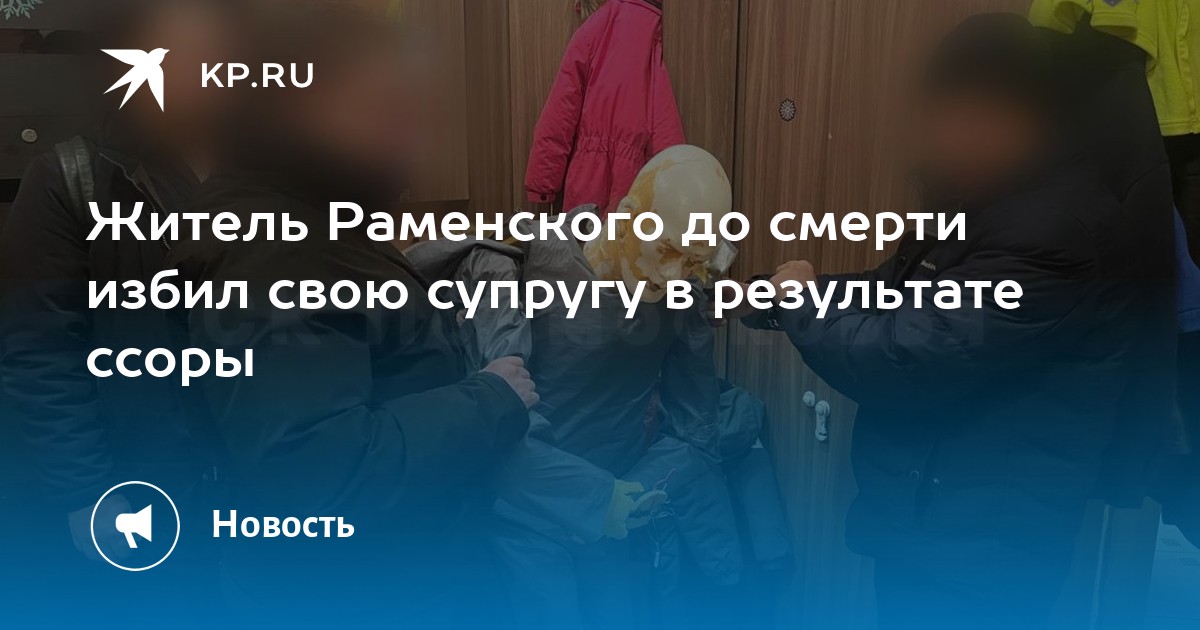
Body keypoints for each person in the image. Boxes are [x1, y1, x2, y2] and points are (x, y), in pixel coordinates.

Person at [733, 14, 1153, 628]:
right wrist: (783, 298)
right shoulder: (988, 205)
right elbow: (894, 294)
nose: (954, 138)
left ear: (1037, 120)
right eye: (946, 116)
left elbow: (906, 354)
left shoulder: (1056, 231)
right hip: (936, 522)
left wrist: (800, 304)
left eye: (981, 116)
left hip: (983, 553)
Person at [167, 4, 534, 624]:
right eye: (383, 110)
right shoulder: (275, 250)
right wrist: (491, 400)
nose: (410, 140)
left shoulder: (304, 222)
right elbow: (318, 473)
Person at [0, 0, 234, 620]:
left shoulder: (274, 174)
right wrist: (83, 491)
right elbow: (40, 354)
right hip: (147, 479)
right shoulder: (70, 179)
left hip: (262, 478)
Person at [525, 0, 685, 215]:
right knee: (628, 234)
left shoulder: (596, 27)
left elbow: (560, 113)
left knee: (583, 235)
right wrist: (676, 186)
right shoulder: (657, 28)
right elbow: (665, 123)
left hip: (588, 174)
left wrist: (542, 184)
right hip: (636, 179)